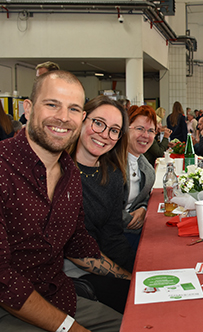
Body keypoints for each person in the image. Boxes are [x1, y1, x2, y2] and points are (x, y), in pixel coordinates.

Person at [0, 70, 124, 331]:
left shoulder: (69, 173)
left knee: (134, 324)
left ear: (81, 118)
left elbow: (78, 244)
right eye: (52, 104)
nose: (64, 117)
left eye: (74, 109)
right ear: (28, 109)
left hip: (55, 296)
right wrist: (70, 328)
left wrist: (133, 279)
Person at [65, 95, 134, 314]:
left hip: (101, 260)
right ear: (83, 119)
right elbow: (74, 250)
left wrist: (139, 267)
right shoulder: (58, 171)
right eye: (98, 123)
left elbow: (112, 235)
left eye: (114, 130)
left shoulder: (112, 174)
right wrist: (129, 277)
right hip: (67, 271)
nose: (104, 134)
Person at [123, 105, 157, 250]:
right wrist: (130, 219)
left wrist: (143, 208)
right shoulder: (110, 162)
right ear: (126, 129)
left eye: (151, 131)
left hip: (132, 231)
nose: (146, 135)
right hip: (111, 237)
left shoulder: (146, 167)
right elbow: (102, 210)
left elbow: (145, 197)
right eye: (140, 129)